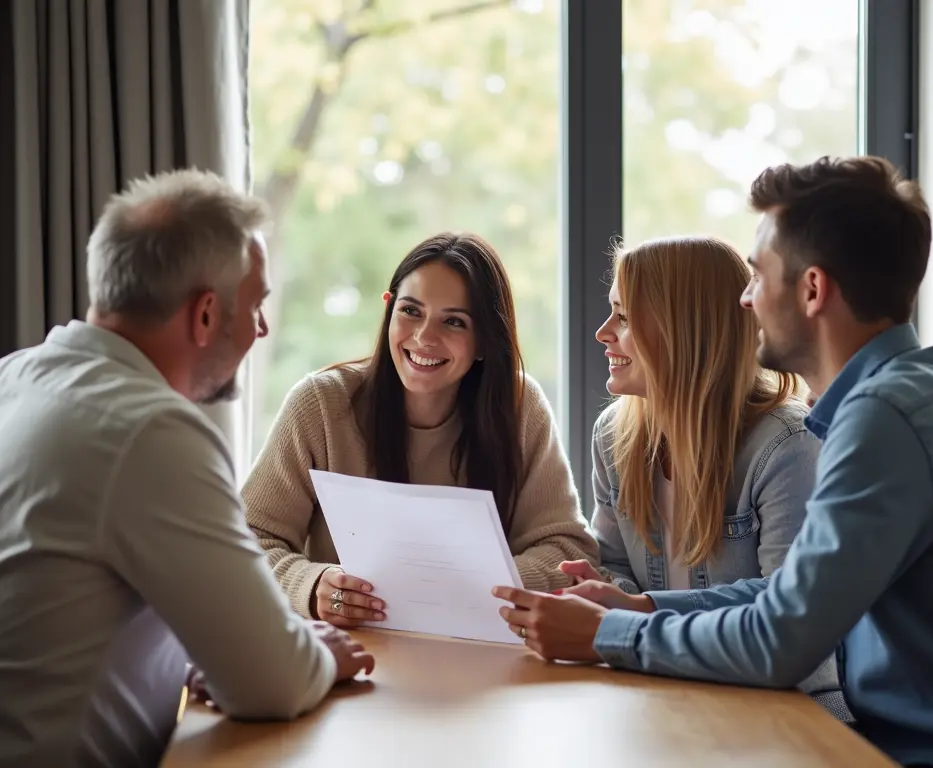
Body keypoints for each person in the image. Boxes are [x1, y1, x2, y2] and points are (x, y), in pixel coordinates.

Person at [494, 155, 933, 768]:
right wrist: (642, 607)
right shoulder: (908, 396)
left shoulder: (883, 420)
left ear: (812, 290)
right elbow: (786, 601)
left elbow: (780, 644)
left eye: (756, 275)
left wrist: (602, 635)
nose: (743, 300)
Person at [0, 170, 374, 768]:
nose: (262, 328)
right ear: (205, 315)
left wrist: (204, 652)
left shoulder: (16, 378)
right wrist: (320, 655)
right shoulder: (149, 432)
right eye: (255, 306)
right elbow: (272, 684)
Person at [243, 231, 598, 627]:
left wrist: (481, 586)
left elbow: (568, 550)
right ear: (388, 309)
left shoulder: (519, 406)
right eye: (411, 311)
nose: (425, 338)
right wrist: (309, 585)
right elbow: (247, 538)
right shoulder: (320, 404)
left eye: (453, 322)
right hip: (351, 648)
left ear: (484, 341)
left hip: (483, 657)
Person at [555, 235, 844, 714]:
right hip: (668, 689)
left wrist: (639, 610)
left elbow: (783, 605)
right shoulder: (614, 434)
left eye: (624, 318)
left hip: (789, 706)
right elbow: (620, 570)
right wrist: (606, 593)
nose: (603, 332)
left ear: (682, 330)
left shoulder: (788, 444)